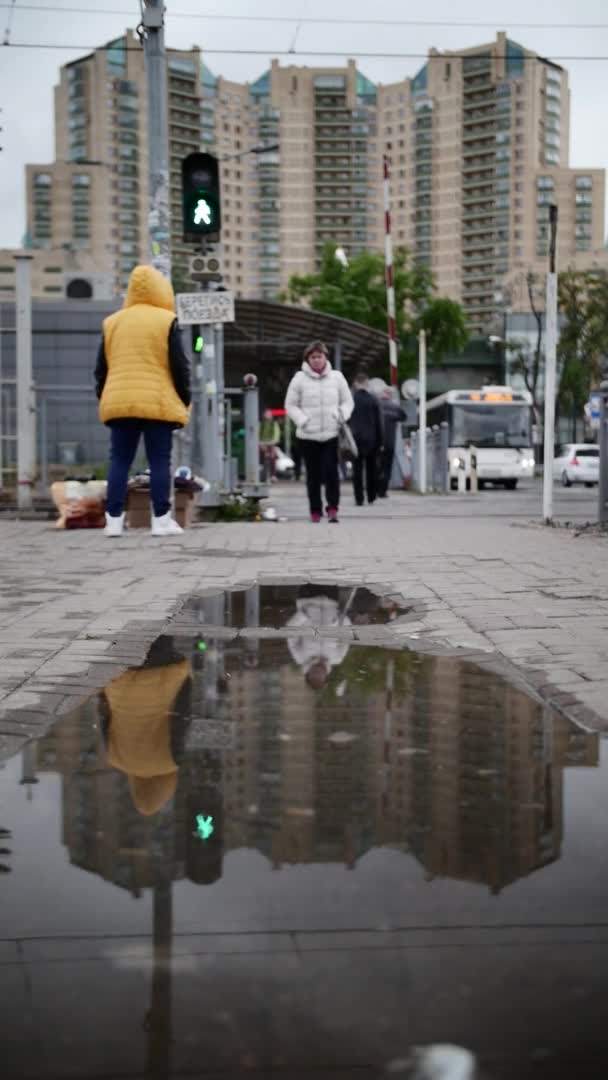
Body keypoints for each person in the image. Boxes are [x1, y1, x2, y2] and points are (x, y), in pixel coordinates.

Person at [95, 264, 191, 538]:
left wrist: (106, 396)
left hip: (120, 402)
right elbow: (179, 366)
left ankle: (113, 521)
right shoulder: (166, 320)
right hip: (157, 403)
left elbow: (101, 368)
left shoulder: (112, 322)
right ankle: (160, 521)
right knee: (159, 460)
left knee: (119, 461)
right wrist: (184, 398)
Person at [284, 340, 353, 523]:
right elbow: (290, 405)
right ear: (307, 359)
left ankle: (332, 508)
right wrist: (302, 420)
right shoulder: (299, 379)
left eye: (319, 356)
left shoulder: (337, 378)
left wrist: (341, 414)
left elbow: (348, 401)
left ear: (325, 357)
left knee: (331, 472)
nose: (316, 360)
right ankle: (315, 510)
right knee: (313, 475)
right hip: (307, 435)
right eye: (313, 357)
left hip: (331, 434)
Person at [349, 371, 383, 506]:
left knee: (357, 470)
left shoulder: (350, 400)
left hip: (355, 439)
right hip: (371, 439)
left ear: (355, 384)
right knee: (371, 469)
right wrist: (381, 441)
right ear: (367, 383)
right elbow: (379, 422)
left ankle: (359, 498)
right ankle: (371, 496)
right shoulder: (374, 400)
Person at [377, 387, 406, 498]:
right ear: (390, 395)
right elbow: (403, 417)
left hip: (377, 442)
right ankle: (383, 491)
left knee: (376, 466)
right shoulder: (395, 407)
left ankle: (375, 489)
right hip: (390, 442)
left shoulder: (376, 404)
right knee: (387, 467)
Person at [259, 408, 281, 481]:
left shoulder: (274, 424)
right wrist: (260, 443)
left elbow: (277, 434)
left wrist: (273, 442)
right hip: (262, 443)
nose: (268, 415)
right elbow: (257, 434)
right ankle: (260, 468)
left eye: (269, 414)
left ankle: (273, 475)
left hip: (271, 443)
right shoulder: (260, 424)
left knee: (272, 457)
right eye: (266, 414)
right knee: (259, 454)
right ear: (263, 415)